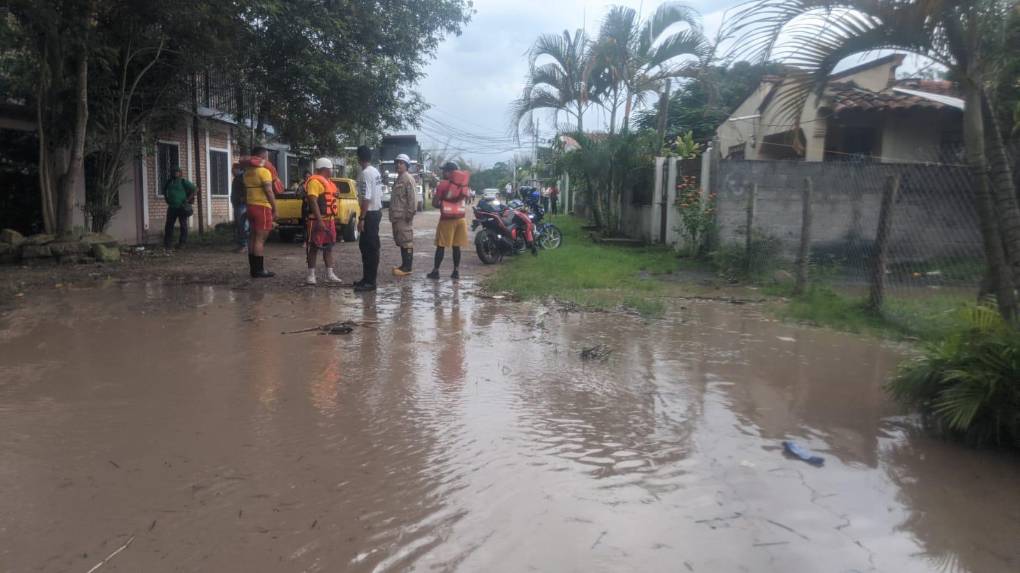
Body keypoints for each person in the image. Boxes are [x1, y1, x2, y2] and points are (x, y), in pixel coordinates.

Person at [427, 162, 470, 280]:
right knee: (456, 247)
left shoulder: (442, 185)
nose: (443, 172)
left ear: (449, 172)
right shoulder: (463, 184)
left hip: (447, 220)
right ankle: (456, 271)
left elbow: (435, 203)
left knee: (441, 246)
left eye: (444, 170)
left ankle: (436, 271)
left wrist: (442, 204)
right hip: (461, 219)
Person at [303, 158, 343, 285]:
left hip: (329, 220)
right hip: (317, 220)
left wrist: (336, 194)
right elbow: (312, 200)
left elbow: (334, 194)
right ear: (326, 169)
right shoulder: (315, 182)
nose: (332, 171)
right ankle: (311, 275)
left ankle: (330, 274)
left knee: (329, 247)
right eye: (331, 169)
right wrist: (319, 220)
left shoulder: (329, 182)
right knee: (314, 247)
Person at [244, 146, 279, 278]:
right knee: (260, 239)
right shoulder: (264, 172)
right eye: (267, 156)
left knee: (253, 237)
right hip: (262, 207)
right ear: (262, 157)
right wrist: (275, 208)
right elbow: (269, 191)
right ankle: (259, 270)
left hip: (250, 206)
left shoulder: (247, 172)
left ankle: (253, 269)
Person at [354, 145, 383, 292]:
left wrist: (361, 218)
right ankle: (367, 278)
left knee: (369, 248)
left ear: (359, 158)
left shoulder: (365, 174)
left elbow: (366, 198)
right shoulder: (375, 171)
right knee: (367, 247)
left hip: (369, 214)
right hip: (376, 212)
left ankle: (370, 282)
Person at [389, 153, 417, 277]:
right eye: (397, 163)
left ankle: (407, 267)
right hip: (397, 216)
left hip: (404, 216)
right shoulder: (399, 178)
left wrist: (410, 214)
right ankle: (404, 265)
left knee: (407, 241)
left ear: (407, 165)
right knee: (401, 240)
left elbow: (412, 199)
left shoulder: (408, 178)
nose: (398, 165)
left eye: (401, 163)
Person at [163, 167, 196, 250]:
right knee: (169, 226)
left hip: (181, 207)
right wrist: (167, 199)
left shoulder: (183, 181)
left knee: (183, 225)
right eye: (174, 172)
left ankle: (182, 243)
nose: (175, 173)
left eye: (177, 172)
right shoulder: (169, 181)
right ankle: (168, 244)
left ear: (180, 173)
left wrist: (187, 200)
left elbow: (195, 189)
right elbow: (165, 191)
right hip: (172, 207)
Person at [230, 163, 248, 253]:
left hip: (242, 205)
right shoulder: (237, 178)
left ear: (238, 169)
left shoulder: (242, 178)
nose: (232, 171)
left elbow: (246, 189)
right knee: (239, 225)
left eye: (233, 169)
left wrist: (243, 198)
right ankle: (241, 245)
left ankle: (244, 245)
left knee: (242, 225)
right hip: (237, 205)